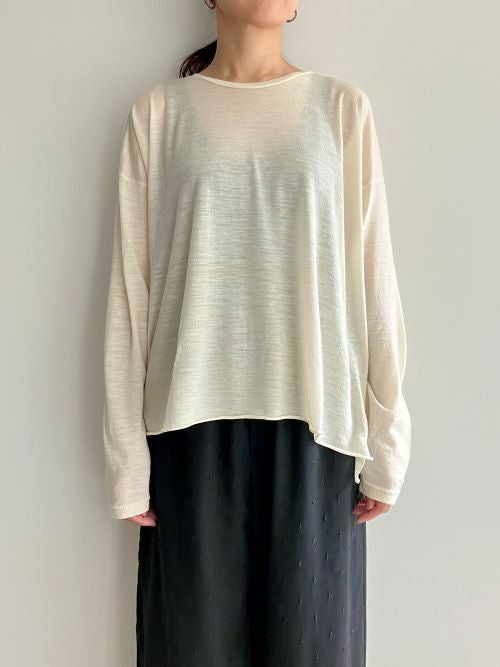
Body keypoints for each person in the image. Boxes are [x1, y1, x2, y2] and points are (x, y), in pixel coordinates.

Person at [102, 1, 411, 664]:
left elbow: (374, 278)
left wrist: (388, 434)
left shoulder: (341, 110)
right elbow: (131, 290)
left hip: (318, 428)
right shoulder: (159, 114)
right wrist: (127, 458)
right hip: (187, 428)